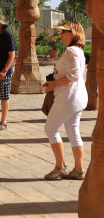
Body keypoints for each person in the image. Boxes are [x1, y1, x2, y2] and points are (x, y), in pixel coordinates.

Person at [43, 21, 88, 180]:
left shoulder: (71, 51)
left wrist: (54, 84)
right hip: (76, 97)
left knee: (50, 129)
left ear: (73, 33)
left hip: (68, 98)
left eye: (64, 31)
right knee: (73, 132)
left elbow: (74, 76)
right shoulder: (78, 50)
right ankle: (78, 169)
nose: (61, 34)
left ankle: (60, 167)